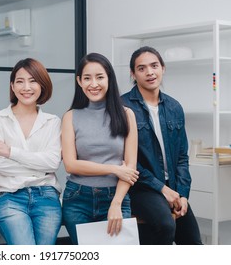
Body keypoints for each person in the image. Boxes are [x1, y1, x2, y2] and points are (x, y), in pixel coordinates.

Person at [121, 46, 202, 245]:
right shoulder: (122, 107)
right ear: (133, 73)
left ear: (163, 68)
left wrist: (182, 195)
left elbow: (182, 157)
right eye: (141, 68)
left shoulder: (174, 107)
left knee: (194, 243)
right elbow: (124, 160)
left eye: (154, 66)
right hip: (140, 188)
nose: (149, 72)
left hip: (173, 187)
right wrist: (161, 189)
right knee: (165, 225)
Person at [61, 52, 138, 245]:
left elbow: (130, 167)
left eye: (100, 77)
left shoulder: (127, 115)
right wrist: (113, 168)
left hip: (116, 196)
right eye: (87, 78)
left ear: (109, 79)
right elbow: (70, 165)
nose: (93, 84)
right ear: (79, 81)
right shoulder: (70, 117)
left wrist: (116, 203)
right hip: (78, 199)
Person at [0, 58, 62, 245]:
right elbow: (1, 165)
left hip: (47, 196)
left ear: (42, 85)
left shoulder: (52, 122)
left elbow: (53, 163)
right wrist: (39, 165)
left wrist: (11, 152)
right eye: (20, 81)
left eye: (33, 81)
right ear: (12, 86)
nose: (26, 87)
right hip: (9, 197)